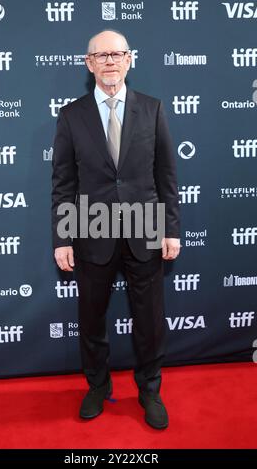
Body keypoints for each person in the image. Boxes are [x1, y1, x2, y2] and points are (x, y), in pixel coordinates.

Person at [52, 30, 180, 430]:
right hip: (91, 230)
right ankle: (97, 386)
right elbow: (63, 183)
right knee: (91, 318)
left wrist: (170, 229)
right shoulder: (71, 115)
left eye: (117, 54)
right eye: (101, 55)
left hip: (145, 228)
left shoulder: (153, 109)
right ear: (89, 64)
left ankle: (149, 389)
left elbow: (165, 175)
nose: (110, 61)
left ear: (130, 60)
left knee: (149, 320)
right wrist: (62, 237)